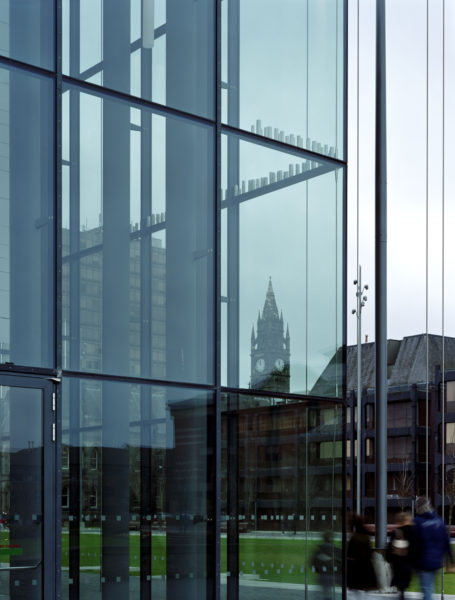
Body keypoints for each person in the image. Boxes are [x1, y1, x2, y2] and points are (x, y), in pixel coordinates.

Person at [413, 497, 452, 600]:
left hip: (424, 562)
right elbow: (445, 540)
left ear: (418, 507)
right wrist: (450, 558)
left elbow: (415, 544)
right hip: (437, 561)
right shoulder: (439, 520)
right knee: (430, 588)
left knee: (426, 589)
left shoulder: (417, 522)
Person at [387, 512, 416, 600]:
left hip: (398, 561)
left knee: (400, 580)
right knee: (405, 580)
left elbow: (390, 548)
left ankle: (401, 593)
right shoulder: (414, 531)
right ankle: (402, 593)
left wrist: (389, 559)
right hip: (409, 561)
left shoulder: (395, 532)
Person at [347, 514, 377, 593]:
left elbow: (349, 553)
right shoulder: (365, 537)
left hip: (356, 565)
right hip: (365, 564)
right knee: (362, 588)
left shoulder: (354, 537)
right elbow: (369, 551)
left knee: (356, 588)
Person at [313, 530, 342, 600]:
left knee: (325, 594)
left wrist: (318, 570)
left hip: (324, 576)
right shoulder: (336, 549)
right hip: (333, 576)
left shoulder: (319, 549)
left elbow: (313, 562)